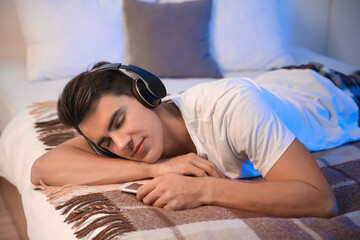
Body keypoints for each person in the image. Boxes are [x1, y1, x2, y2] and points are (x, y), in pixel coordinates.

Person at [31, 61, 360, 218]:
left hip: (328, 89)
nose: (121, 146)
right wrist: (159, 170)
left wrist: (203, 189)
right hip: (275, 82)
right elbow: (44, 168)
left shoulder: (232, 108)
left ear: (146, 92)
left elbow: (319, 200)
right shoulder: (126, 140)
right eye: (105, 143)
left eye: (120, 120)